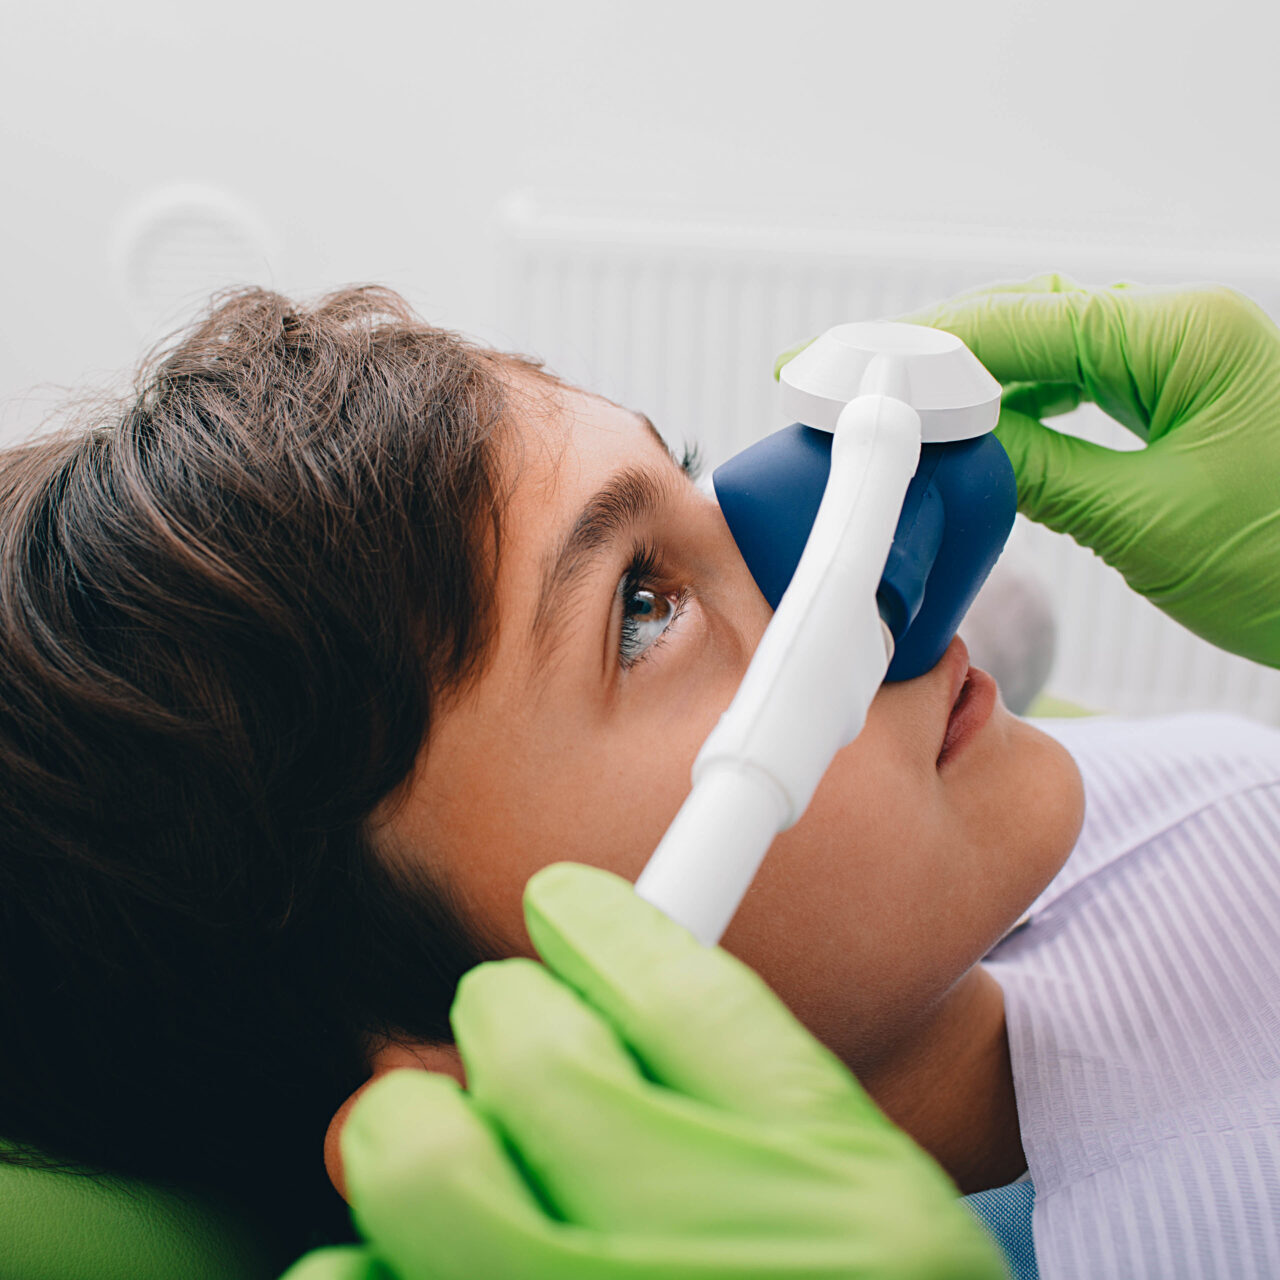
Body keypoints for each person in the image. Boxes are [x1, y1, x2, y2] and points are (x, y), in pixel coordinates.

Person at [0, 277, 1275, 1277]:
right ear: (486, 1067)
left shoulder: (1136, 820)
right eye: (642, 609)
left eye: (695, 472)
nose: (852, 532)